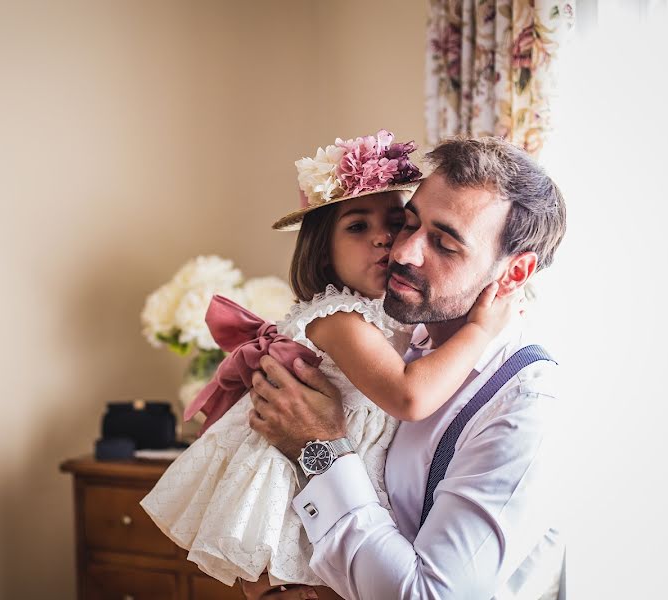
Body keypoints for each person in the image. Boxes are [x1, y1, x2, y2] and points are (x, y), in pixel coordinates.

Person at [140, 131, 516, 588]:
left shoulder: (384, 316)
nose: (385, 240)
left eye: (395, 222)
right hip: (298, 491)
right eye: (358, 227)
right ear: (322, 248)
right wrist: (479, 330)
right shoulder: (338, 316)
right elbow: (409, 396)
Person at [243, 136, 568, 599]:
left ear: (514, 274)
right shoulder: (396, 341)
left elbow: (428, 595)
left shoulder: (523, 406)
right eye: (409, 223)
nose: (401, 252)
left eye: (444, 243)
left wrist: (319, 448)